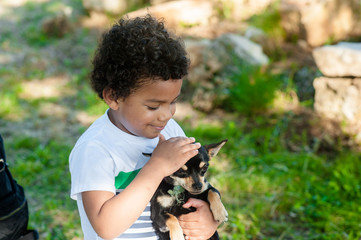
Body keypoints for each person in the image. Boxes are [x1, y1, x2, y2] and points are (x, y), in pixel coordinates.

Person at [69, 14, 220, 240]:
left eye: (173, 102)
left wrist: (207, 219)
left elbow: (192, 187)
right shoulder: (95, 149)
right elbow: (105, 227)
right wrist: (157, 166)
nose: (166, 115)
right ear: (114, 96)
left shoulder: (170, 130)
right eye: (153, 106)